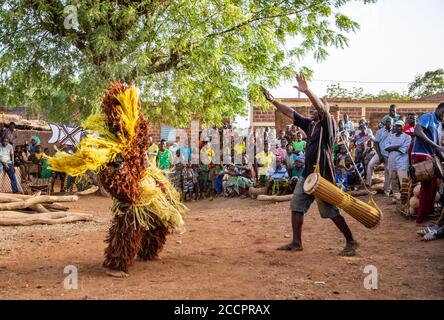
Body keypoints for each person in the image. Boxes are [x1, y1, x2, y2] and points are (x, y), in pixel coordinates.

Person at [261, 74, 358, 256]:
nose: (312, 109)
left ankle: (351, 241)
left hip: (322, 177)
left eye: (315, 107)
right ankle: (296, 242)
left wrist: (306, 91)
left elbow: (322, 109)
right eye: (311, 107)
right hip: (308, 174)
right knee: (296, 205)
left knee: (330, 211)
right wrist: (274, 101)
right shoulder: (310, 124)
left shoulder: (328, 123)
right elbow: (290, 113)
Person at [411, 103, 444, 224]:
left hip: (430, 157)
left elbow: (437, 148)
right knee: (426, 187)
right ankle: (420, 219)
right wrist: (436, 146)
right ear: (439, 110)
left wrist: (440, 153)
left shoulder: (439, 125)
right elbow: (417, 132)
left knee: (433, 187)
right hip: (420, 154)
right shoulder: (428, 117)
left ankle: (426, 214)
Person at [385, 120, 411, 202]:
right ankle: (396, 197)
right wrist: (397, 147)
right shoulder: (390, 136)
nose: (398, 127)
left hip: (402, 162)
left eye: (400, 126)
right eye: (396, 126)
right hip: (392, 162)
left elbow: (403, 149)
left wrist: (392, 147)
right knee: (393, 181)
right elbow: (386, 148)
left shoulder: (407, 137)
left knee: (403, 181)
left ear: (403, 127)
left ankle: (405, 199)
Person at [366, 118, 393, 195]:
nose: (389, 124)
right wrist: (380, 155)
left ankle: (386, 191)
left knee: (387, 172)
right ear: (385, 123)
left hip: (389, 156)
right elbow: (376, 143)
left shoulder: (394, 132)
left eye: (390, 122)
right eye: (387, 122)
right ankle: (368, 184)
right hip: (380, 153)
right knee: (370, 165)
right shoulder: (380, 132)